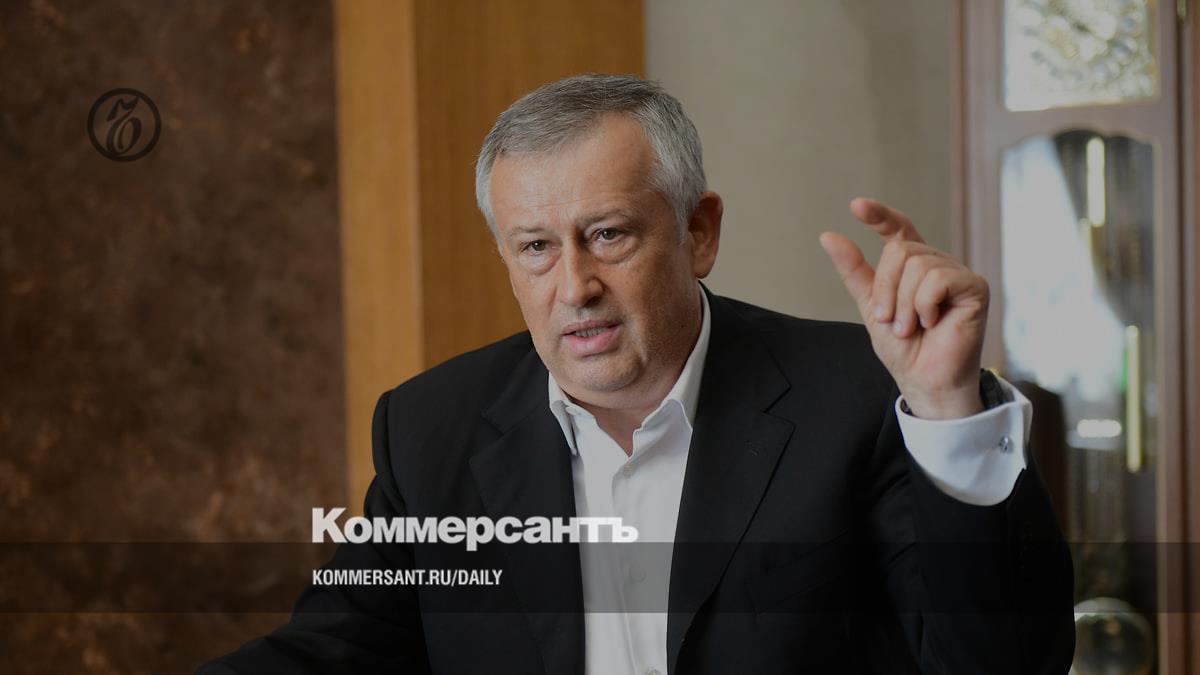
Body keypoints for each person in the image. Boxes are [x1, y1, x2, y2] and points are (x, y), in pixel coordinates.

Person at [201, 74, 1074, 674]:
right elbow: (338, 649)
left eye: (608, 234)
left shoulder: (863, 398)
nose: (573, 285)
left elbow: (1004, 663)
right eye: (535, 247)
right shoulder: (433, 427)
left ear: (699, 232)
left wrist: (947, 406)